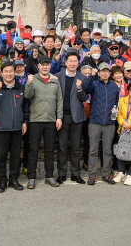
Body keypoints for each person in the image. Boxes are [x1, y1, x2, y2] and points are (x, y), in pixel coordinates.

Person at [0, 61, 30, 193]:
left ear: (14, 72)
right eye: (5, 71)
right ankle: (2, 180)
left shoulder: (21, 87)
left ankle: (14, 179)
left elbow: (25, 107)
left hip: (17, 127)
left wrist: (24, 122)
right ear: (1, 73)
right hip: (1, 128)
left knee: (15, 155)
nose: (8, 74)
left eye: (10, 71)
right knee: (0, 156)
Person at [24, 55, 63, 189]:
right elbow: (27, 96)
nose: (45, 67)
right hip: (36, 119)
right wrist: (28, 84)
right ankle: (31, 177)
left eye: (47, 64)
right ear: (38, 66)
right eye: (42, 64)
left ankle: (49, 176)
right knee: (33, 150)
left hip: (51, 120)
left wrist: (59, 117)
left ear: (50, 65)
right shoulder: (32, 79)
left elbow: (59, 100)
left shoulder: (55, 80)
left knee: (50, 150)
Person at [83, 62, 120, 185]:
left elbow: (116, 101)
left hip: (109, 122)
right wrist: (91, 76)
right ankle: (92, 175)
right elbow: (86, 89)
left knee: (107, 150)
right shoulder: (94, 84)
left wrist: (115, 111)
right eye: (102, 71)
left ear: (110, 73)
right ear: (98, 73)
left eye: (107, 71)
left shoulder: (114, 86)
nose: (105, 73)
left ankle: (106, 174)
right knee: (93, 149)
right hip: (95, 121)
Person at [55, 52, 88, 184]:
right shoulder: (58, 76)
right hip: (62, 117)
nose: (73, 63)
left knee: (75, 147)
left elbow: (85, 98)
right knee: (62, 147)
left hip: (77, 117)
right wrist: (58, 116)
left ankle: (75, 174)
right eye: (70, 61)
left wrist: (80, 89)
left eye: (75, 61)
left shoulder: (82, 77)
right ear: (66, 62)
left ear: (78, 63)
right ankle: (62, 173)